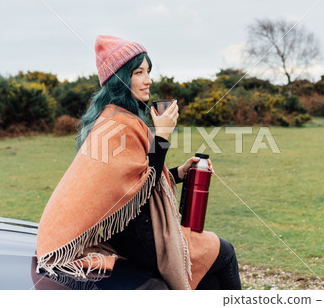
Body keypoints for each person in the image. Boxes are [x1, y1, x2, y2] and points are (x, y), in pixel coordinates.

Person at [36, 35, 241, 290]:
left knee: (209, 276)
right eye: (139, 72)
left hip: (132, 235)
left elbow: (136, 177)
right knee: (225, 252)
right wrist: (163, 135)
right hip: (145, 239)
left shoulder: (117, 118)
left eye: (148, 71)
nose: (148, 79)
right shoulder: (116, 124)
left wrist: (180, 172)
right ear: (121, 78)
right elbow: (141, 186)